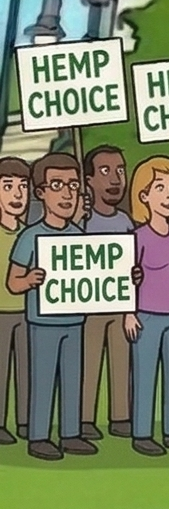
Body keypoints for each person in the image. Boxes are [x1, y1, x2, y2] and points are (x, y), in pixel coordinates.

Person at [7, 153, 99, 459]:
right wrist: (31, 279)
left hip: (74, 321)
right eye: (57, 185)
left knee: (73, 377)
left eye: (73, 186)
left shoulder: (78, 236)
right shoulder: (31, 236)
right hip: (43, 323)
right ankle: (39, 436)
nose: (66, 194)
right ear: (41, 193)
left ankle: (70, 432)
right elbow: (13, 281)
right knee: (43, 377)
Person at [124, 156, 169, 457]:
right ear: (144, 196)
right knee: (145, 374)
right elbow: (124, 278)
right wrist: (128, 312)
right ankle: (142, 432)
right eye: (160, 187)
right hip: (146, 317)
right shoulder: (137, 237)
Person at [76, 146, 134, 443]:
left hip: (120, 305)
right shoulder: (81, 222)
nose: (115, 179)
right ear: (88, 180)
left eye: (120, 170)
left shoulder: (125, 222)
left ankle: (121, 416)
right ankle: (84, 417)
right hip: (89, 309)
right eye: (105, 171)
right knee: (88, 361)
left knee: (122, 360)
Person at [0, 157, 27, 447]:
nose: (18, 194)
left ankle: (26, 420)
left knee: (26, 368)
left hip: (28, 311)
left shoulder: (28, 232)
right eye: (8, 187)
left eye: (23, 186)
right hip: (0, 312)